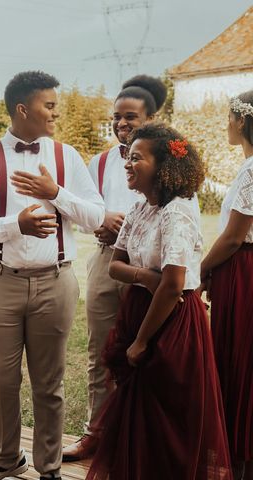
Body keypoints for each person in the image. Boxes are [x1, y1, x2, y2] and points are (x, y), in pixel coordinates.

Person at [0, 70, 105, 480]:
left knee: (49, 383)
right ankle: (7, 459)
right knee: (1, 381)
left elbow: (95, 217)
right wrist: (14, 226)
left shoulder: (67, 157)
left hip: (55, 281)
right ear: (23, 109)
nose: (56, 112)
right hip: (0, 280)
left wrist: (55, 193)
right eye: (50, 105)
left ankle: (50, 468)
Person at [86, 123, 232, 479]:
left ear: (162, 165)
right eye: (127, 155)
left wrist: (141, 341)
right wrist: (145, 276)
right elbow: (116, 265)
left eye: (137, 157)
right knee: (137, 413)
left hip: (171, 322)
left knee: (167, 414)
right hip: (138, 308)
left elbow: (174, 285)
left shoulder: (177, 211)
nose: (127, 163)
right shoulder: (140, 208)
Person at [63, 75, 167, 461]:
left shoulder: (169, 160)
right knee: (101, 349)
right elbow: (86, 209)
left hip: (151, 266)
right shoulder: (101, 161)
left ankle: (145, 437)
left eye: (131, 117)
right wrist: (101, 222)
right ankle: (97, 432)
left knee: (150, 348)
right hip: (108, 262)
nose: (122, 124)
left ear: (153, 118)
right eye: (116, 118)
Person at [199, 91, 253, 480]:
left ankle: (240, 459)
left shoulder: (252, 171)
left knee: (239, 358)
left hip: (243, 269)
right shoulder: (246, 167)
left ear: (244, 121)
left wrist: (201, 270)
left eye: (230, 117)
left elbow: (235, 236)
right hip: (240, 268)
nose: (226, 123)